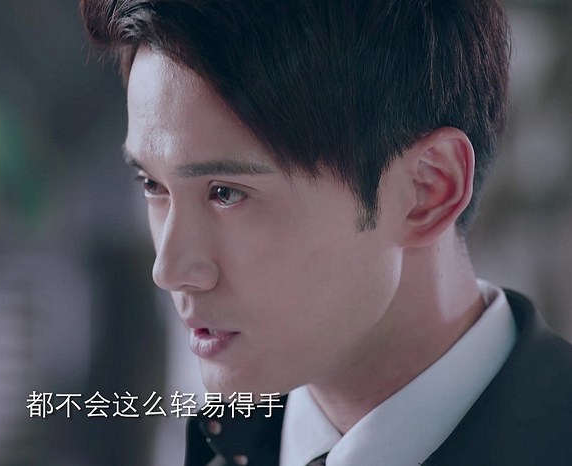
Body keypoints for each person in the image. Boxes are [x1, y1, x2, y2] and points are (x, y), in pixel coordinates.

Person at [79, 1, 572, 465]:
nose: (169, 270)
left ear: (428, 190)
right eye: (153, 185)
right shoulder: (219, 441)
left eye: (225, 193)